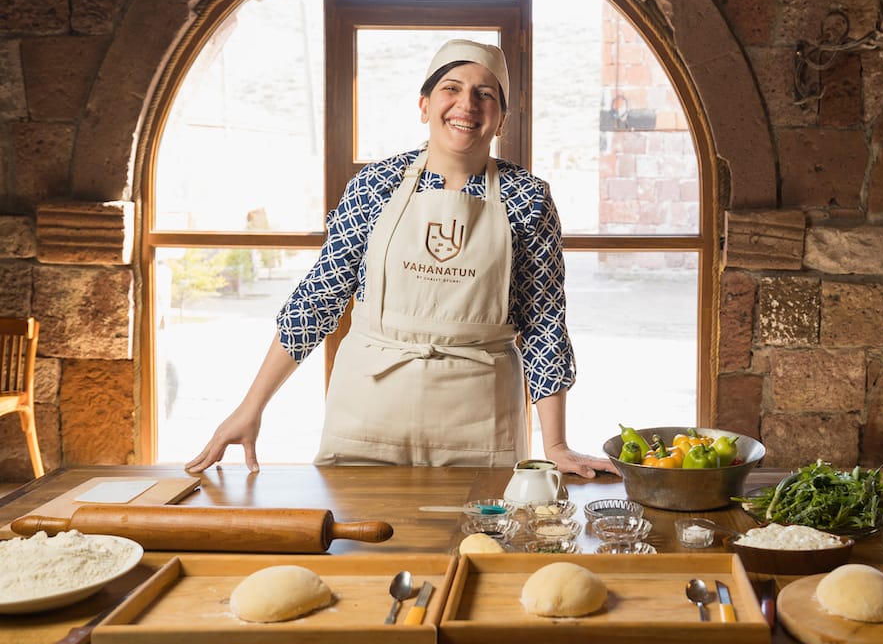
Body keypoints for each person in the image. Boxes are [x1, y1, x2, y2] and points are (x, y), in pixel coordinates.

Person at [187, 39, 613, 478]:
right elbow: (318, 298)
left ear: (501, 118)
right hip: (368, 412)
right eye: (451, 88)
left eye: (485, 94)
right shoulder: (375, 184)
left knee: (477, 543)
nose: (467, 104)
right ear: (424, 105)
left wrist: (556, 444)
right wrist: (251, 407)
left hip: (480, 422)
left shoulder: (527, 197)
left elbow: (543, 321)